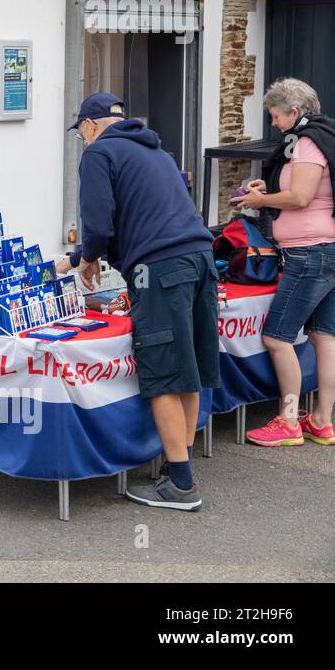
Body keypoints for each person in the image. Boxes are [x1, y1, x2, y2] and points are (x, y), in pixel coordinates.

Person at [66, 92, 220, 511]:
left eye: (81, 133)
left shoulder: (99, 154)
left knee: (164, 373)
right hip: (201, 259)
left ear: (91, 125)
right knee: (186, 369)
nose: (82, 141)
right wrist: (84, 256)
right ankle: (178, 467)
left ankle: (182, 486)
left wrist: (89, 257)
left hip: (161, 269)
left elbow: (97, 221)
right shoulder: (156, 149)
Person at [231, 78, 335, 448]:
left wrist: (260, 202)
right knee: (324, 335)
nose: (275, 124)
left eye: (276, 116)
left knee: (276, 337)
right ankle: (322, 421)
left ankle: (289, 420)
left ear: (295, 112)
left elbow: (302, 196)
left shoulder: (308, 144)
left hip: (309, 253)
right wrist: (266, 191)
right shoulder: (323, 138)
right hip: (328, 248)